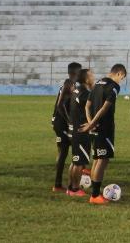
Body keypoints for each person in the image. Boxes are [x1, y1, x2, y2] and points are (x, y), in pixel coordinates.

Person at [80, 63, 127, 205]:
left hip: (94, 127)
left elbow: (87, 106)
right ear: (119, 74)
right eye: (122, 78)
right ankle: (94, 196)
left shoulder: (97, 83)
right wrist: (92, 124)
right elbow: (104, 108)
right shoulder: (114, 87)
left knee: (97, 159)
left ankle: (95, 193)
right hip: (104, 128)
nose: (121, 81)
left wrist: (90, 123)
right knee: (103, 160)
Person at [51, 62, 81, 192]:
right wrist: (69, 120)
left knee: (64, 151)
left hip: (59, 122)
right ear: (76, 73)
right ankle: (59, 184)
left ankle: (60, 183)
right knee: (65, 151)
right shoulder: (69, 83)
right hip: (61, 123)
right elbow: (60, 105)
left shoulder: (70, 83)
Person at [67, 68, 95, 197]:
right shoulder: (85, 93)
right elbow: (93, 108)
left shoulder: (76, 91)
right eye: (91, 75)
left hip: (74, 129)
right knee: (78, 163)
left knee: (75, 161)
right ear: (86, 79)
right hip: (82, 131)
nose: (93, 77)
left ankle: (70, 187)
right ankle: (75, 189)